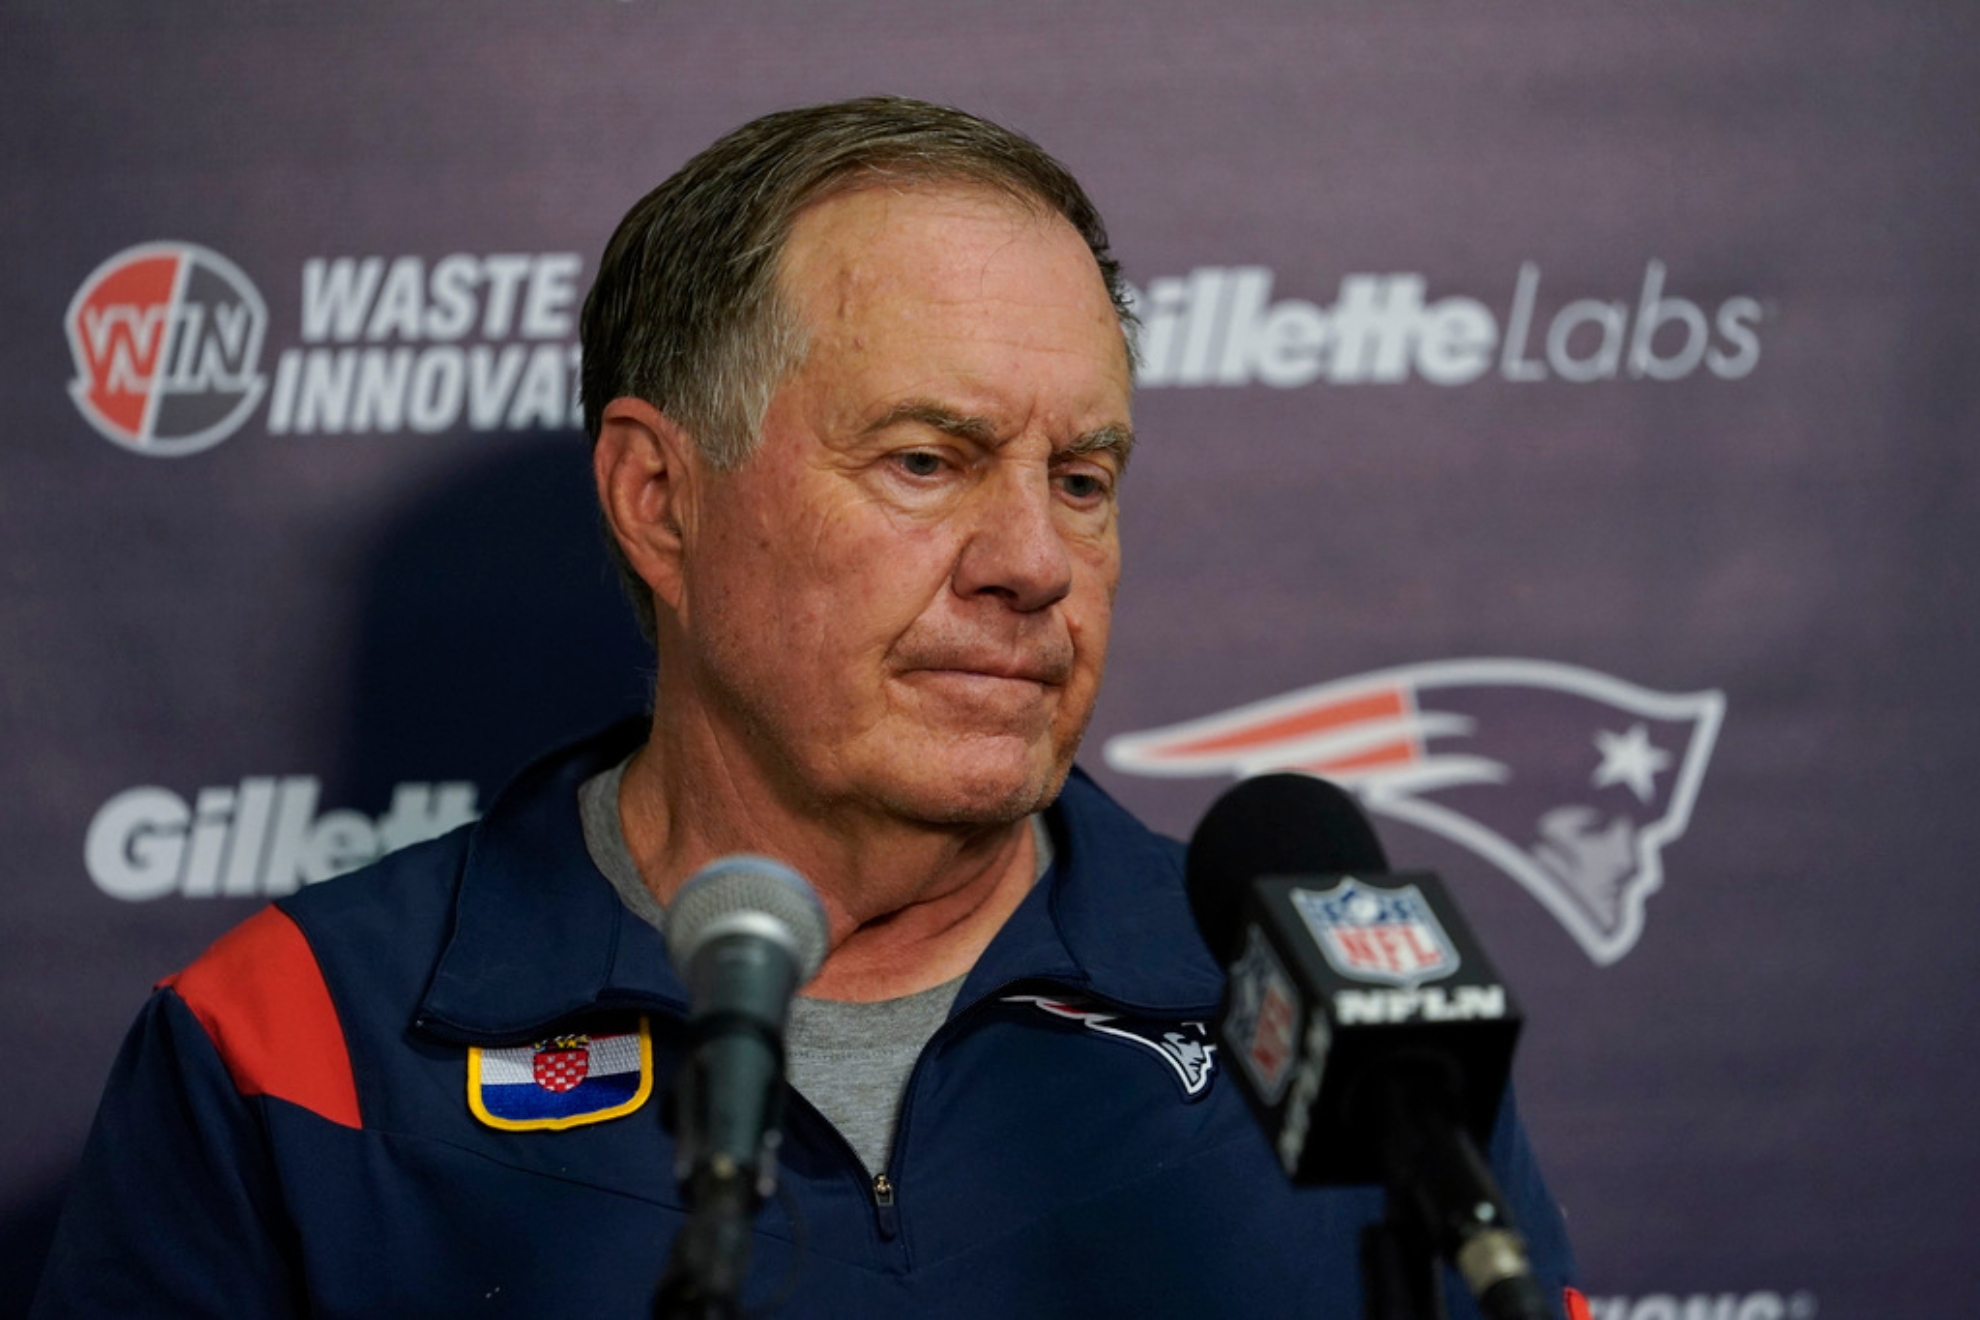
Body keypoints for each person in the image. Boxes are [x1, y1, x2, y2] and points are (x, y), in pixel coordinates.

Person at [34, 97, 1577, 1317]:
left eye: (1085, 479)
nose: (1036, 563)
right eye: (926, 461)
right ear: (659, 499)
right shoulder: (290, 1044)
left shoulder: (1351, 1027)